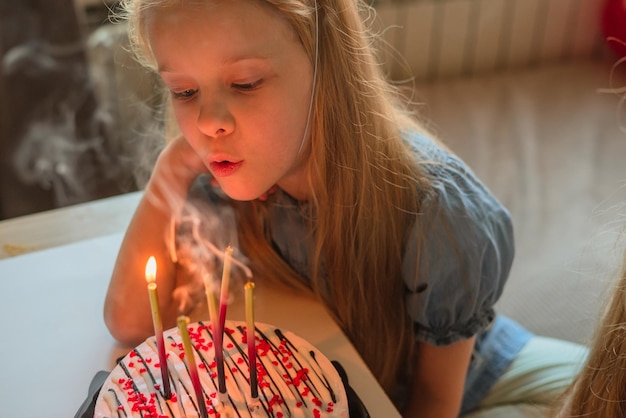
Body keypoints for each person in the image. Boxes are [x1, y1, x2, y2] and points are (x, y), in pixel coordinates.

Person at [103, 0, 585, 416]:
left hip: (501, 385)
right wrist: (171, 169)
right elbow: (130, 324)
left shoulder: (436, 210)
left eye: (246, 83)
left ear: (325, 64)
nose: (208, 122)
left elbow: (436, 399)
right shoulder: (217, 180)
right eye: (184, 91)